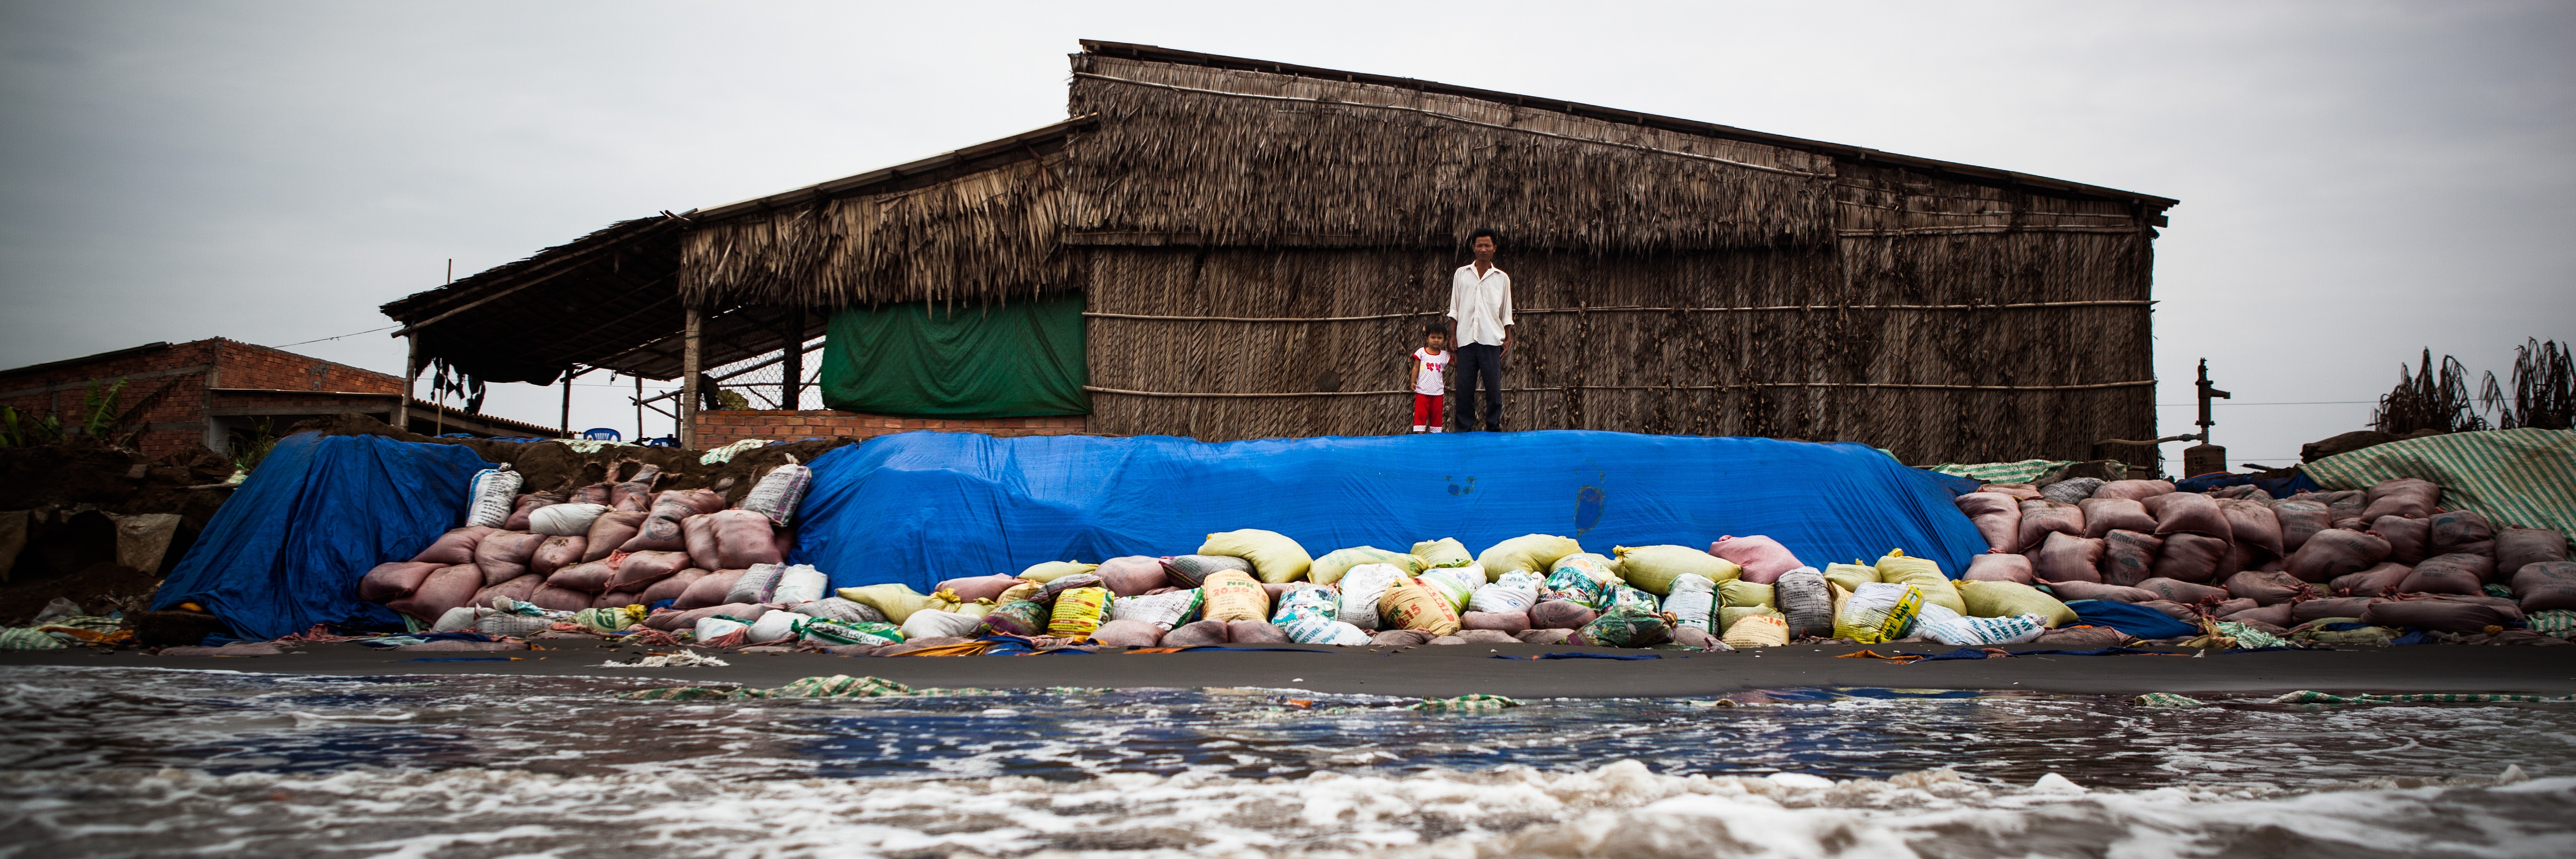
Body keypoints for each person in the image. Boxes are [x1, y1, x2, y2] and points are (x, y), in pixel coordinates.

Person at [1446, 227, 1511, 432]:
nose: (1483, 249)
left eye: (1487, 245)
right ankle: (1464, 429)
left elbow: (1506, 312)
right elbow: (1455, 308)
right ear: (1473, 248)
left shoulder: (1502, 278)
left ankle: (1493, 428)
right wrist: (1453, 335)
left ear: (1494, 249)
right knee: (1464, 388)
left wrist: (1508, 338)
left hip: (1491, 340)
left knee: (1494, 389)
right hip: (1466, 340)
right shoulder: (1461, 274)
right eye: (1480, 245)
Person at [1406, 325, 1452, 433]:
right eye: (1433, 337)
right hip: (1422, 390)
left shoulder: (1445, 355)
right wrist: (1413, 381)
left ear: (1445, 340)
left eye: (1440, 338)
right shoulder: (1421, 352)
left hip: (1438, 392)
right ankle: (1420, 437)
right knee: (1420, 415)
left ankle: (1435, 439)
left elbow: (1455, 363)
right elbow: (1416, 367)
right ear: (1427, 338)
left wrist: (1454, 351)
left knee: (1436, 416)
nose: (1436, 340)